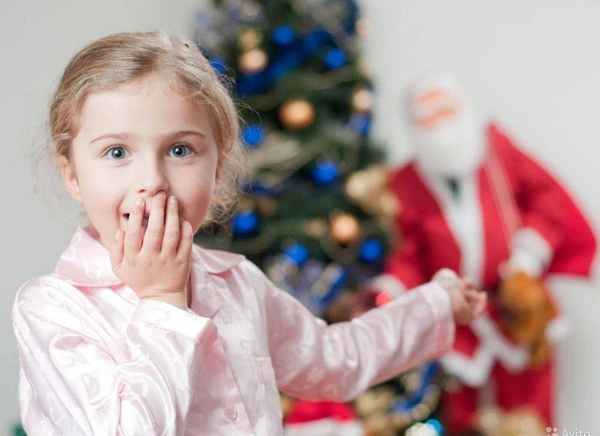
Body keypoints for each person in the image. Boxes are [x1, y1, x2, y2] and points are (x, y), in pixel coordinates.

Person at [12, 32, 486, 436]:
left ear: (217, 167)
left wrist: (434, 305)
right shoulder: (53, 309)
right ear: (72, 174)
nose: (152, 180)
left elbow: (332, 359)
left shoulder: (239, 283)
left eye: (180, 149)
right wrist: (161, 299)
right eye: (117, 153)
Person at [367, 72, 596, 433]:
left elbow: (548, 205)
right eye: (427, 117)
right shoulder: (406, 182)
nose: (439, 125)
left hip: (517, 308)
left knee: (532, 410)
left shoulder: (500, 153)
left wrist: (525, 262)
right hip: (458, 319)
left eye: (445, 111)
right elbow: (408, 252)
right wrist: (390, 291)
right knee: (463, 416)